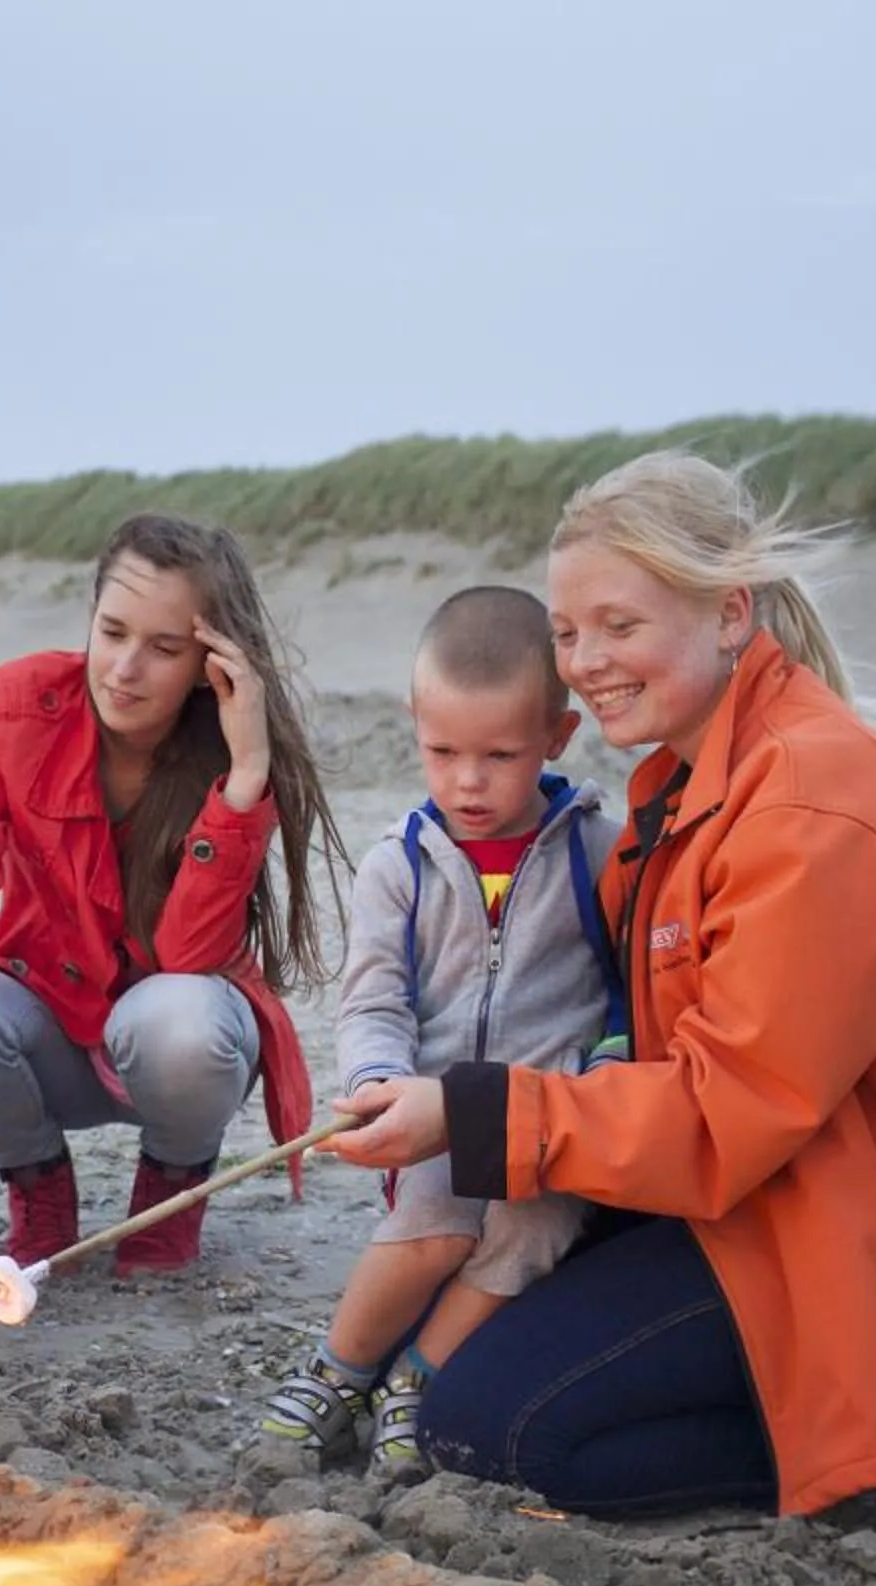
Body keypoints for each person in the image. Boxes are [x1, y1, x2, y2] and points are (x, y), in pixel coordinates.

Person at [330, 450, 876, 1518]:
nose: (586, 660)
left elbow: (728, 1109)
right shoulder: (692, 780)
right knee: (474, 1327)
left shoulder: (810, 807)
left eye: (620, 624)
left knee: (487, 1427)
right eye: (567, 632)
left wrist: (470, 1109)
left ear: (729, 612)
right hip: (774, 1199)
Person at [0, 514, 348, 1275]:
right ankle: (38, 1186)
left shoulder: (227, 748)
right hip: (49, 1023)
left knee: (177, 1018)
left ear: (210, 662)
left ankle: (172, 1185)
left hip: (173, 1041)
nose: (125, 668)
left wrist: (248, 775)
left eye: (163, 648)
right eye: (113, 632)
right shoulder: (13, 706)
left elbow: (190, 955)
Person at [259, 586, 624, 1465]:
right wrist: (374, 1082)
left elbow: (628, 991)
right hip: (432, 1112)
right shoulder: (400, 868)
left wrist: (605, 1073)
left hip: (549, 1116)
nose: (468, 780)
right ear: (415, 723)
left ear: (556, 737)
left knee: (531, 1232)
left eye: (501, 754)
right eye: (443, 750)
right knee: (436, 1226)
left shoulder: (597, 850)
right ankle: (338, 1371)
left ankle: (414, 1377)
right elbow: (374, 996)